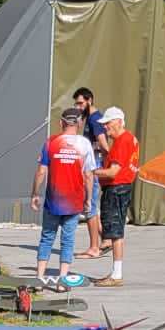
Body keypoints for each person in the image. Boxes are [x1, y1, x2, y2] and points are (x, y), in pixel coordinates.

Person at [30, 108, 95, 284]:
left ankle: (39, 278)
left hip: (53, 200)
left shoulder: (51, 142)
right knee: (68, 240)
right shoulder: (85, 144)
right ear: (79, 124)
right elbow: (88, 175)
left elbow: (41, 171)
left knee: (47, 238)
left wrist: (34, 193)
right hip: (74, 201)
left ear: (61, 123)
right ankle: (62, 280)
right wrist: (88, 199)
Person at [93, 106, 140, 286]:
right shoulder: (130, 139)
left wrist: (90, 172)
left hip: (116, 189)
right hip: (121, 188)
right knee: (115, 231)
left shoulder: (122, 141)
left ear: (119, 122)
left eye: (108, 123)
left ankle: (116, 275)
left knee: (115, 232)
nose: (105, 127)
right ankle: (115, 273)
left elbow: (113, 172)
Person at [73, 87, 109, 257]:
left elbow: (104, 145)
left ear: (90, 100)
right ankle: (107, 240)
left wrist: (99, 156)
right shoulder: (91, 118)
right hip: (93, 166)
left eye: (81, 103)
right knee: (91, 206)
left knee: (90, 207)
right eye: (76, 104)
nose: (78, 107)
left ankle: (94, 248)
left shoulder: (95, 120)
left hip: (94, 168)